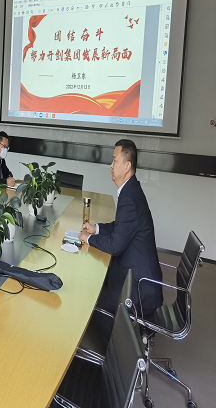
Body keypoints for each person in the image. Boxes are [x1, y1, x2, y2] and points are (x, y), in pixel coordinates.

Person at [79, 139, 163, 340]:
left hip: (140, 286)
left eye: (115, 160)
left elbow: (116, 245)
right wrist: (97, 228)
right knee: (97, 277)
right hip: (136, 273)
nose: (111, 165)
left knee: (91, 298)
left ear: (127, 166)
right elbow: (121, 227)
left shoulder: (129, 198)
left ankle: (117, 350)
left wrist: (88, 239)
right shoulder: (130, 191)